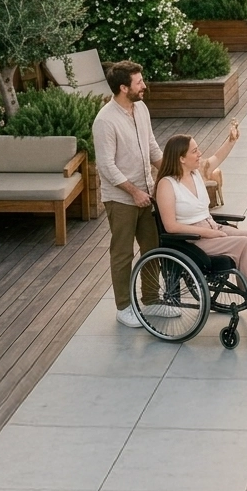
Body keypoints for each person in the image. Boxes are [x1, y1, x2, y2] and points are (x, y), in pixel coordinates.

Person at [155, 132, 247, 325]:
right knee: (245, 244)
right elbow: (170, 226)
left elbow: (217, 157)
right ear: (181, 158)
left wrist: (231, 140)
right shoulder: (166, 185)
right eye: (194, 151)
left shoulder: (196, 173)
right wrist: (208, 233)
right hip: (192, 239)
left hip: (211, 225)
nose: (199, 154)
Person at [92, 60, 164, 328]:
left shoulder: (141, 108)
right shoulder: (105, 121)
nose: (144, 85)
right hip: (122, 198)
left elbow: (152, 147)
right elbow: (107, 166)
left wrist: (172, 171)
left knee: (152, 248)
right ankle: (123, 307)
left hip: (146, 193)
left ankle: (152, 301)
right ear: (124, 88)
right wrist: (133, 192)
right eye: (139, 82)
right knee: (122, 253)